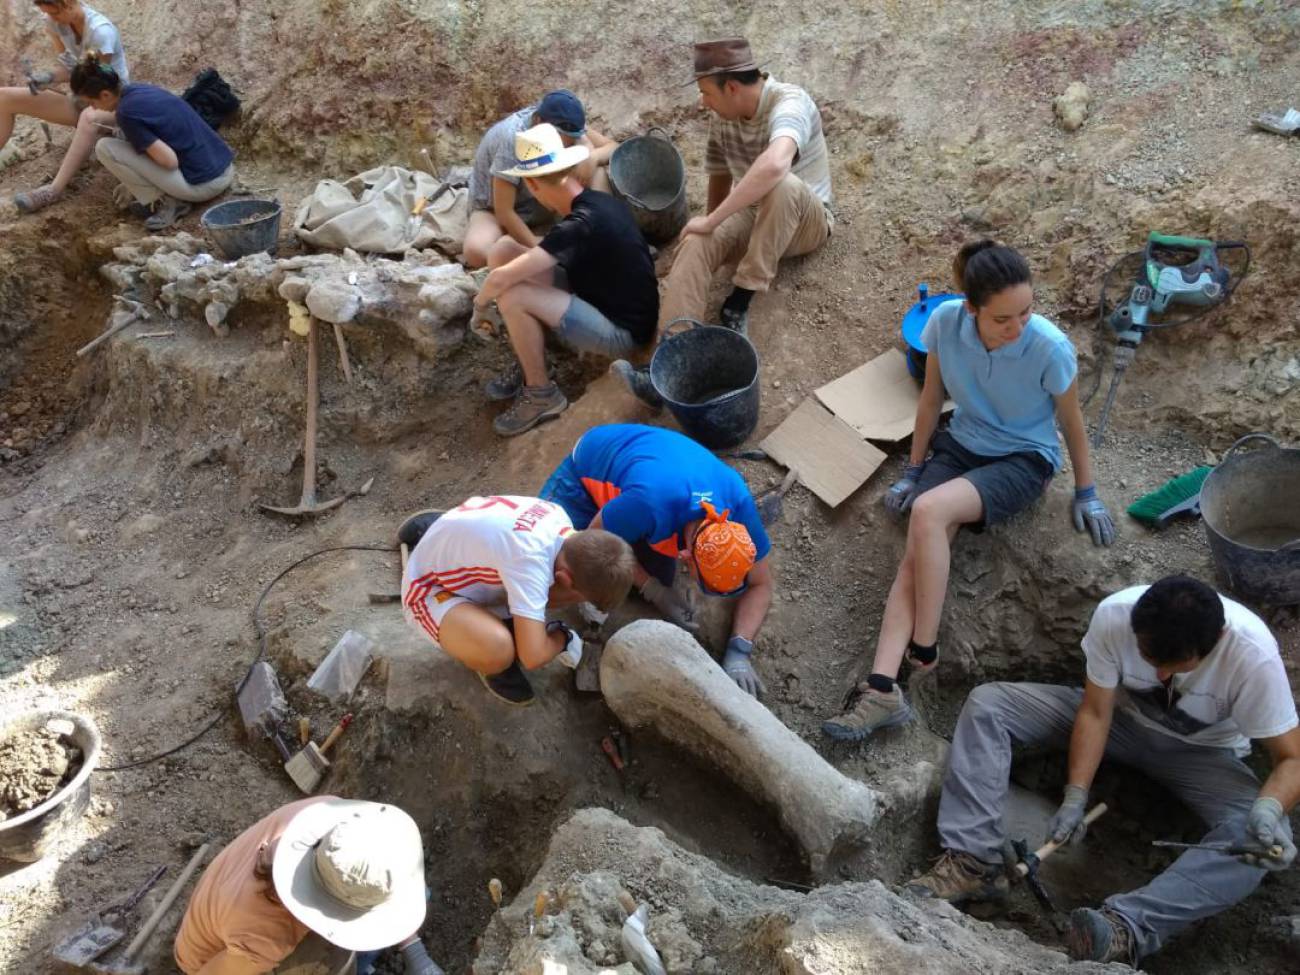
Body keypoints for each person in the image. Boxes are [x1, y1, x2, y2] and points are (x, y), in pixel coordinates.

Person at [905, 576, 1300, 967]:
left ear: (1214, 643)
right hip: (1118, 723)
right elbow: (1095, 712)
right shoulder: (1118, 614)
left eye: (1174, 666)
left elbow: (1292, 758)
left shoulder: (1252, 657)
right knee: (990, 706)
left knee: (1267, 843)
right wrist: (1076, 794)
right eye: (1150, 659)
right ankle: (972, 862)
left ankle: (1127, 928)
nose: (1161, 676)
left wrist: (1268, 810)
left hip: (1203, 755)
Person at [822, 241, 1115, 742]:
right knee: (916, 553)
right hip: (964, 444)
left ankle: (926, 648)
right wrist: (914, 469)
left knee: (930, 513)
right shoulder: (944, 324)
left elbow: (1071, 422)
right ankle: (881, 690)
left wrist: (1086, 490)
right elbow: (932, 397)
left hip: (1023, 459)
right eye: (1003, 318)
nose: (1018, 327)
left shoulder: (1048, 347)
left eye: (1026, 311)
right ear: (972, 308)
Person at [538, 423, 774, 698]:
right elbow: (592, 545)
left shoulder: (738, 507)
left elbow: (761, 584)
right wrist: (654, 590)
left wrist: (739, 650)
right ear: (685, 556)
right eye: (702, 581)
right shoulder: (648, 505)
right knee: (566, 571)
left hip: (655, 475)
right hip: (589, 471)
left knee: (651, 573)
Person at [473, 124, 659, 437]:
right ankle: (530, 350)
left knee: (512, 295)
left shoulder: (579, 225)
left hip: (623, 331)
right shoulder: (594, 203)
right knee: (504, 249)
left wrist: (479, 307)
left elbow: (503, 279)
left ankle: (542, 393)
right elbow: (517, 261)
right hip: (603, 297)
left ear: (532, 185)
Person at [398, 495, 636, 706]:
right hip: (427, 587)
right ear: (564, 576)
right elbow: (532, 656)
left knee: (540, 593)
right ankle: (486, 658)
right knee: (500, 649)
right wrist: (562, 638)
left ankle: (435, 531)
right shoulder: (530, 565)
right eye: (582, 598)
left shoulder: (559, 517)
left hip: (464, 531)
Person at [174, 797, 445, 975]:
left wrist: (415, 952)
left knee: (417, 893)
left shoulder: (334, 821)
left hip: (231, 905)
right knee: (335, 964)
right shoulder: (266, 935)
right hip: (213, 961)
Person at [66, 57, 235, 230]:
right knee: (124, 138)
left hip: (206, 186)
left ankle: (167, 202)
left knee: (104, 148)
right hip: (225, 168)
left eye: (92, 102)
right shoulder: (138, 90)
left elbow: (169, 161)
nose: (93, 108)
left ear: (105, 95)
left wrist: (140, 174)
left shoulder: (126, 114)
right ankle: (164, 194)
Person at [462, 89, 619, 268]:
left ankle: (606, 236)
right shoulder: (513, 140)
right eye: (562, 138)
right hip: (495, 209)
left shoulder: (569, 125)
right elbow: (504, 211)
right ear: (538, 121)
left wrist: (593, 157)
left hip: (544, 200)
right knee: (476, 250)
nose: (566, 143)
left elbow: (614, 147)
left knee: (596, 170)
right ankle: (552, 261)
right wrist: (537, 246)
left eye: (571, 139)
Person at [3, 0, 129, 214]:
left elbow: (97, 83)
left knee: (88, 117)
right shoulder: (54, 23)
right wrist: (48, 77)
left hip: (111, 103)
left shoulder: (101, 32)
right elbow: (69, 67)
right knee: (4, 98)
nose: (51, 19)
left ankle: (53, 190)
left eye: (54, 13)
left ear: (69, 4)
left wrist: (59, 82)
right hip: (82, 98)